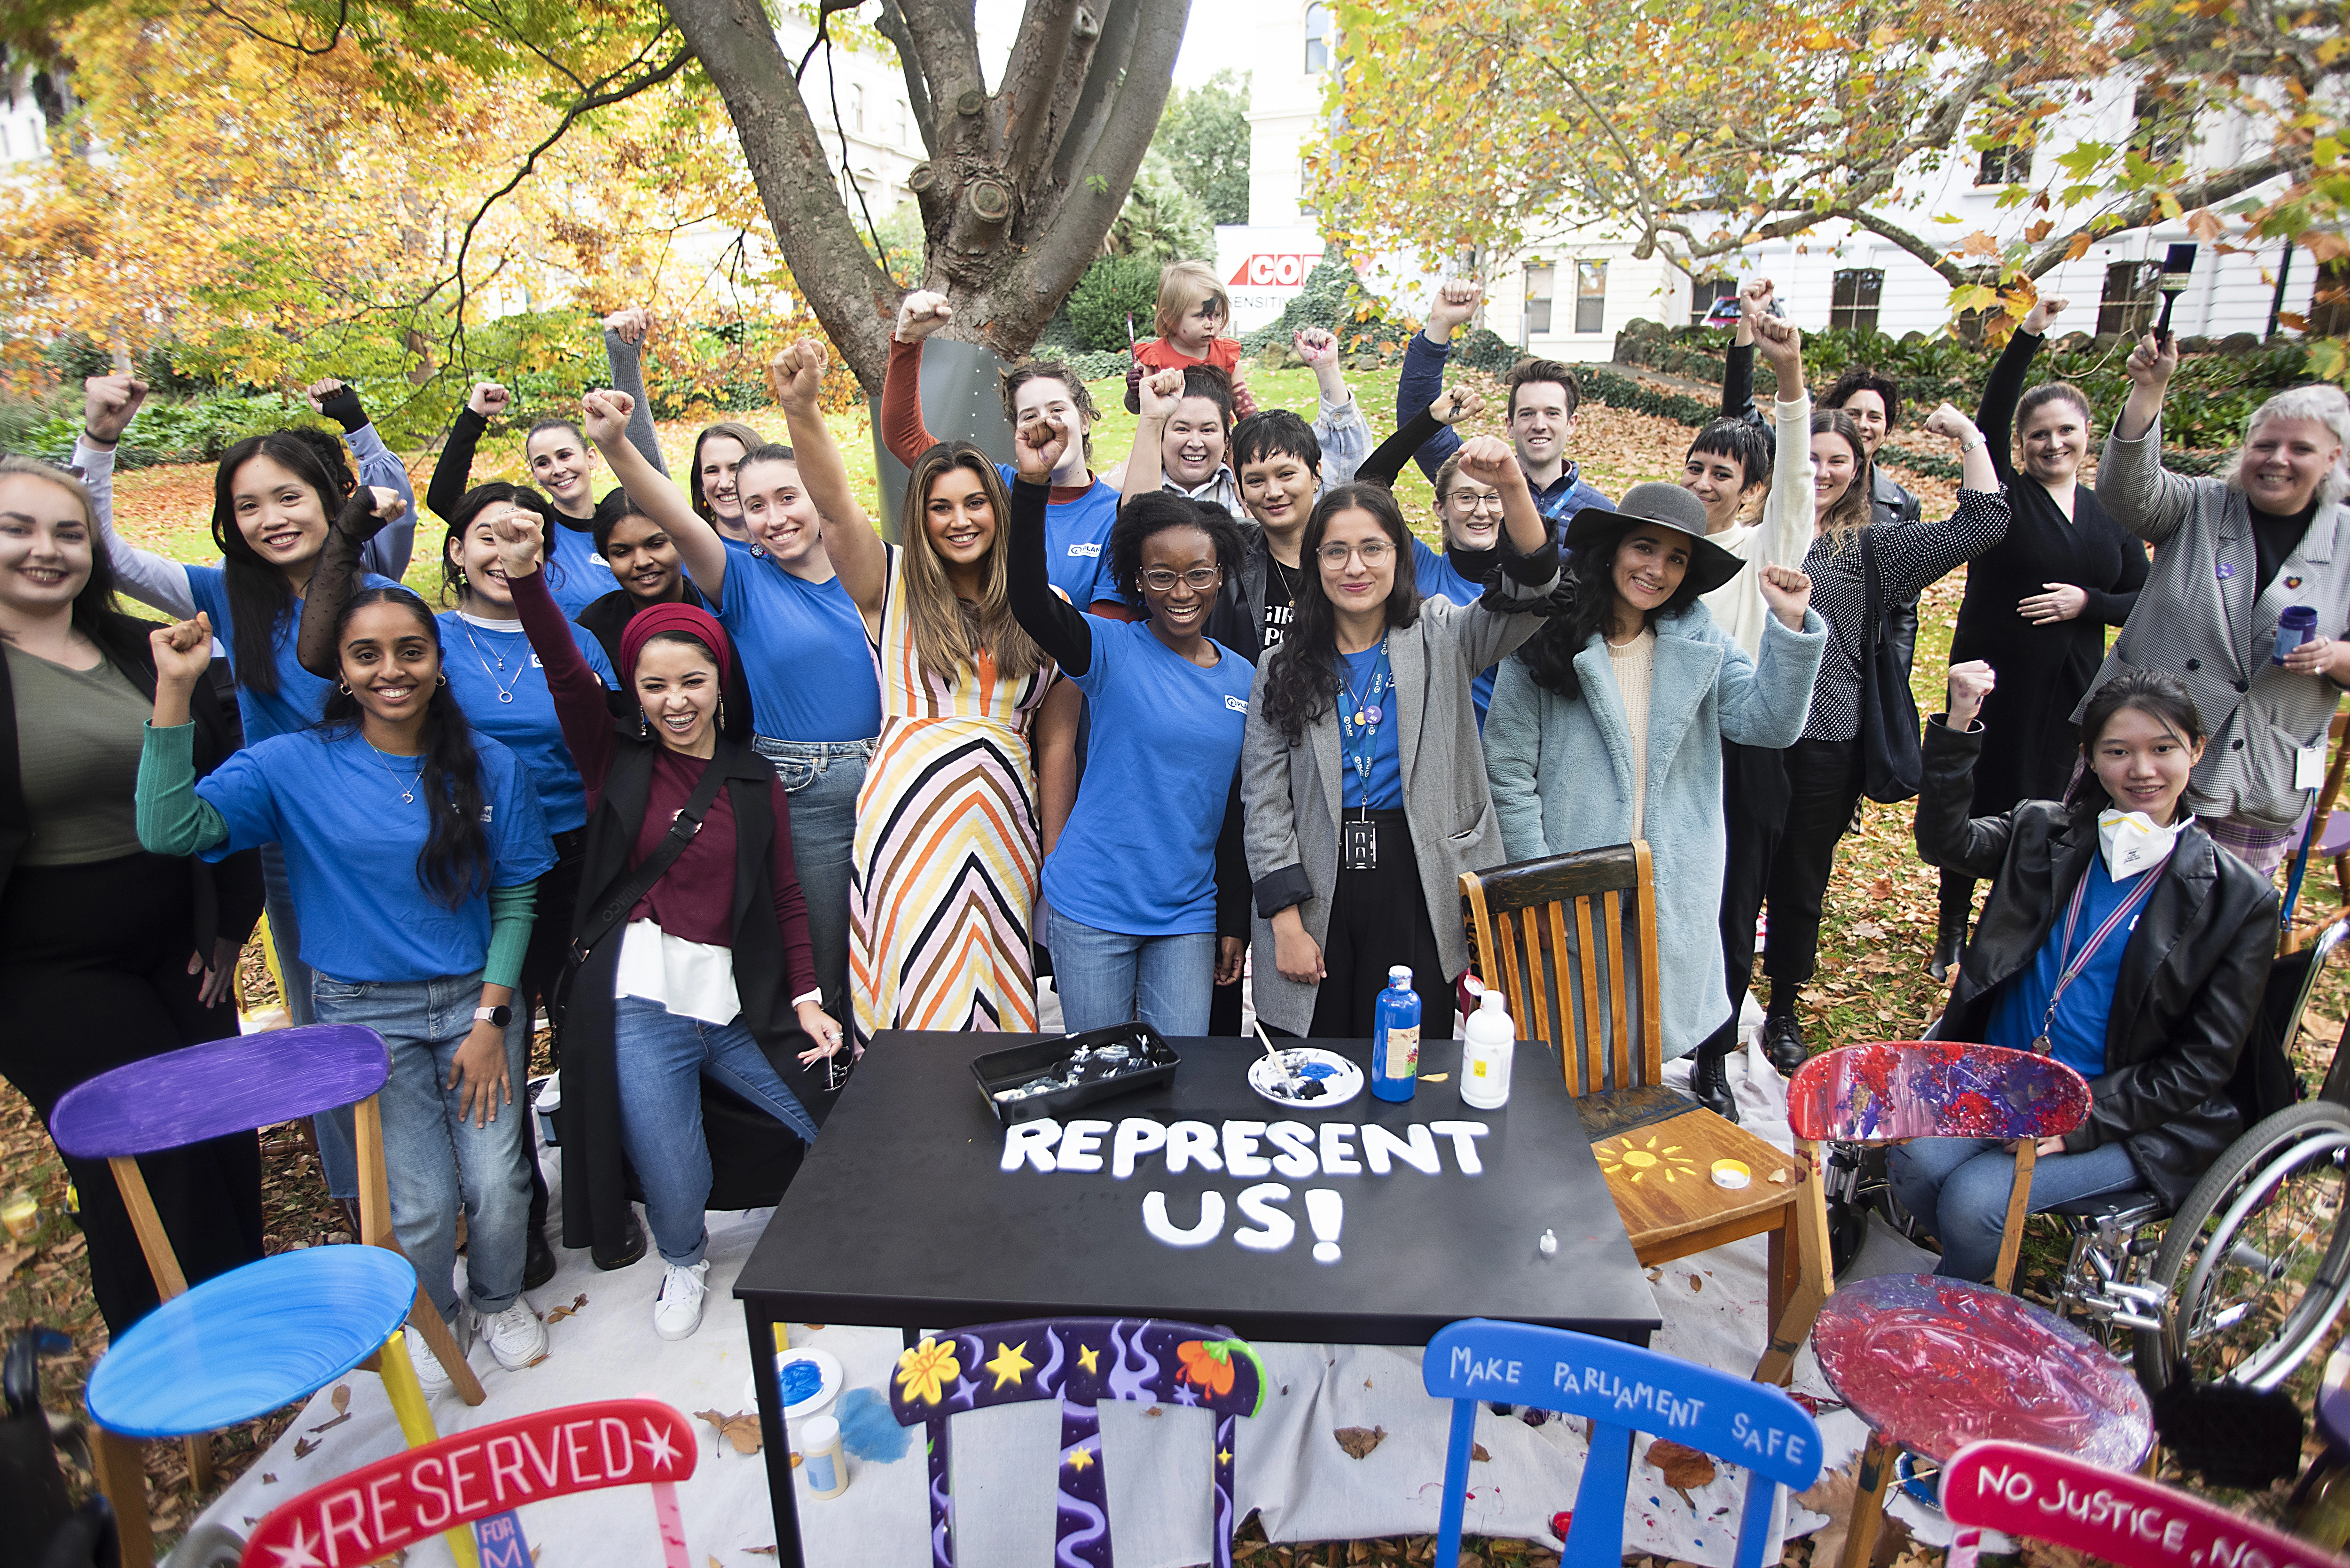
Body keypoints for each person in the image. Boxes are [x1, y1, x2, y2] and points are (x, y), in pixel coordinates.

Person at [137, 547, 556, 1392]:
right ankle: (435, 1313)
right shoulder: (294, 764)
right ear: (343, 668)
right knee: (423, 1200)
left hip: (477, 1002)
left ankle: (501, 1293)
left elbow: (516, 898)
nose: (391, 670)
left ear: (439, 664)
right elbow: (168, 828)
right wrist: (176, 690)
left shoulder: (490, 768)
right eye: (368, 654)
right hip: (366, 1013)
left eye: (412, 650)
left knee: (501, 1181)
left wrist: (490, 1020)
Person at [494, 498, 842, 1340]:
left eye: (692, 681)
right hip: (641, 1005)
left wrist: (806, 997)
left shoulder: (754, 780)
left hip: (734, 1001)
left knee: (830, 1111)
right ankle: (684, 1260)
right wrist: (525, 579)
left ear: (722, 681)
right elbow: (569, 676)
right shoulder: (615, 755)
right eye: (654, 685)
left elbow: (787, 895)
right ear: (635, 692)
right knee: (673, 1168)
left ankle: (832, 1235)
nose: (675, 701)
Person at [79, 376, 416, 1212]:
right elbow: (109, 555)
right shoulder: (220, 593)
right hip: (297, 848)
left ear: (328, 499)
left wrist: (359, 437)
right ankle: (363, 1200)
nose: (272, 517)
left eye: (289, 496)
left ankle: (457, 1188)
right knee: (327, 1025)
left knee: (434, 998)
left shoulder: (375, 573)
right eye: (249, 504)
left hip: (401, 824)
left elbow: (397, 501)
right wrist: (100, 442)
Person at [297, 479, 621, 1284]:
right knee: (500, 1037)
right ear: (455, 549)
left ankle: (600, 1198)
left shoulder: (572, 631)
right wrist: (348, 529)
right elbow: (319, 652)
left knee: (586, 1033)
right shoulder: (423, 641)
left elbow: (601, 722)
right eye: (482, 534)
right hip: (473, 863)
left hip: (582, 853)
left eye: (518, 536)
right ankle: (515, 1218)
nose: (498, 549)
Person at [1899, 662, 2277, 1283]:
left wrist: (2084, 1120)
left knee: (1974, 1203)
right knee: (1916, 1164)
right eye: (2118, 751)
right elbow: (1949, 845)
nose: (2143, 770)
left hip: (2119, 1110)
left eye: (2163, 749)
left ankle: (1960, 1320)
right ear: (2091, 758)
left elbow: (2203, 1064)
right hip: (2005, 1077)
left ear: (2197, 750)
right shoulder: (2044, 831)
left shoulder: (2237, 900)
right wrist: (1959, 725)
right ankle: (1985, 1277)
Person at [0, 458, 265, 1336]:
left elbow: (218, 776)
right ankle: (173, 1337)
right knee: (147, 1143)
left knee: (222, 1125)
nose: (47, 550)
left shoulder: (132, 646)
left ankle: (249, 1309)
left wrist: (230, 924)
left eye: (68, 532)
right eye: (19, 529)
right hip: (47, 963)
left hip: (176, 932)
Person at [581, 354, 881, 1027]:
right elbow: (673, 514)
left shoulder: (870, 566)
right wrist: (615, 446)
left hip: (893, 773)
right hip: (809, 793)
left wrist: (802, 408)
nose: (772, 517)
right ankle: (832, 1096)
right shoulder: (740, 579)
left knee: (894, 954)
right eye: (754, 507)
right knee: (824, 965)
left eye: (787, 497)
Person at [1484, 484, 1825, 1065]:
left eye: (1676, 558)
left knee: (1640, 1052)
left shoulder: (1698, 640)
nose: (1656, 569)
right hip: (1574, 877)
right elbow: (1507, 771)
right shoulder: (1546, 636)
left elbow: (1768, 723)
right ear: (1613, 550)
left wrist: (1790, 628)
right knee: (1564, 1044)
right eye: (1645, 548)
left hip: (1667, 882)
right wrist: (1540, 881)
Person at [1242, 438, 1559, 1040]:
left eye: (1371, 549)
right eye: (1334, 552)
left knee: (1406, 1047)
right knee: (1316, 1049)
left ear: (1399, 556)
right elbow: (1263, 802)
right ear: (1314, 563)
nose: (1354, 568)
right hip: (1315, 871)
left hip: (1418, 870)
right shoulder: (1280, 664)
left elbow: (1533, 595)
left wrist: (1512, 486)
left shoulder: (1442, 634)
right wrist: (1284, 923)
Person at [1756, 401, 2011, 1072]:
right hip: (1742, 726)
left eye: (1839, 459)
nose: (1822, 470)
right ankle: (1720, 992)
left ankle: (1782, 1002)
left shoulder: (1872, 548)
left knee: (1800, 875)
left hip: (1824, 734)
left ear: (1860, 470)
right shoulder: (1750, 533)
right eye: (1808, 457)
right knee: (1732, 864)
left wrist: (1969, 436)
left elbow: (1984, 524)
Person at [1007, 426, 1252, 1034]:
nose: (1181, 591)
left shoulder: (1246, 678)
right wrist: (1033, 485)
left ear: (1220, 576)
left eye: (1198, 574)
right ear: (1136, 581)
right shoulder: (1108, 647)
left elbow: (1240, 810)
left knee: (1181, 1074)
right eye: (1161, 575)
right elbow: (1029, 601)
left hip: (1186, 914)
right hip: (1092, 907)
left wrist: (1233, 919)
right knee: (1101, 1077)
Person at [1933, 296, 2148, 979]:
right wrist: (2028, 333)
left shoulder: (2108, 513)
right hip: (1999, 678)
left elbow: (2141, 593)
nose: (2053, 444)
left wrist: (2089, 603)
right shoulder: (2005, 498)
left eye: (2066, 431)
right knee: (1982, 797)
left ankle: (2018, 925)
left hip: (2072, 686)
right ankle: (1951, 928)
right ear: (2020, 446)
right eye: (2039, 435)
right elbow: (1989, 418)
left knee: (2050, 804)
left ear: (2087, 433)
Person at [2084, 339, 2350, 878]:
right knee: (2103, 906)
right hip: (2142, 761)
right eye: (2263, 445)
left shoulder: (2344, 543)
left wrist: (2331, 655)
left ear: (2331, 459)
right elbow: (2124, 492)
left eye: (2298, 448)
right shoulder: (2200, 506)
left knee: (2211, 931)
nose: (2276, 459)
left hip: (2254, 775)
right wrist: (2149, 388)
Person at [1681, 291, 1816, 1117]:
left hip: (1745, 752)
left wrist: (1787, 376)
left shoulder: (1761, 551)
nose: (1703, 483)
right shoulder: (1663, 551)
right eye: (1695, 467)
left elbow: (1798, 481)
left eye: (1722, 474)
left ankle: (1713, 1058)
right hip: (1669, 746)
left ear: (1754, 491)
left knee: (1733, 911)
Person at [885, 292, 1125, 612]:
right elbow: (905, 437)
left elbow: (1106, 635)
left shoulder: (1115, 513)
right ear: (1017, 431)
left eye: (1057, 409)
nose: (1045, 423)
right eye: (1029, 415)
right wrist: (908, 342)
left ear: (1083, 420)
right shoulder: (993, 487)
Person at [1398, 279, 1613, 523]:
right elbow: (1418, 426)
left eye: (1552, 413)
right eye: (1527, 414)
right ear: (1509, 425)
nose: (1539, 424)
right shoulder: (1475, 478)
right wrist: (1440, 324)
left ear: (1572, 423)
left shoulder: (1601, 515)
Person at [1122, 257, 1257, 417]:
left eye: (1216, 315)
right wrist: (1135, 390)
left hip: (1216, 440)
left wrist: (1261, 435)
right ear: (1169, 316)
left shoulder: (1227, 356)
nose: (1210, 324)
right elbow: (1137, 408)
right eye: (1200, 315)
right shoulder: (1154, 357)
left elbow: (1245, 410)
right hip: (1169, 441)